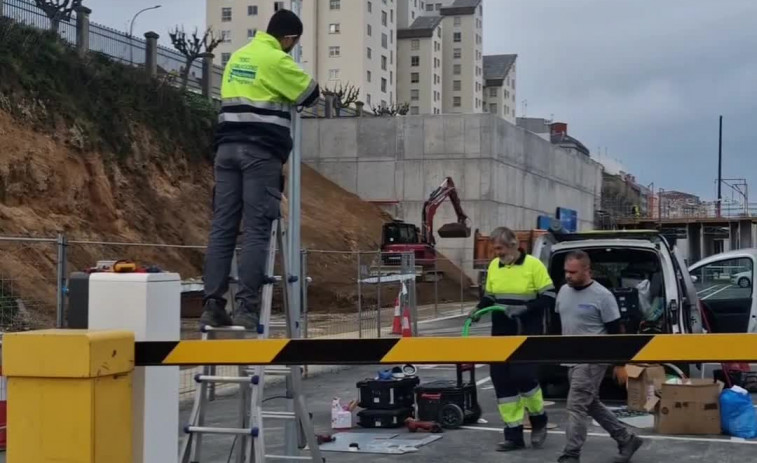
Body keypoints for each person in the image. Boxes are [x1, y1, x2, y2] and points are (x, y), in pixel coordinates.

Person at [200, 9, 320, 329]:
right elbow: (310, 93)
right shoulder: (276, 60)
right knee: (255, 229)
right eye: (293, 44)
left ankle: (212, 304)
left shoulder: (238, 58)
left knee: (223, 227)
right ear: (289, 38)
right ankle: (247, 308)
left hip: (226, 151)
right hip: (260, 154)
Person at [555, 250, 644, 463]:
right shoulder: (563, 291)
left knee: (576, 404)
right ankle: (626, 439)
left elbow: (616, 331)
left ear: (587, 271)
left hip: (593, 359)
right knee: (590, 403)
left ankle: (571, 454)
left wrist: (620, 363)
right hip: (571, 358)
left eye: (573, 272)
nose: (568, 276)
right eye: (566, 271)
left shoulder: (602, 296)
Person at [473, 226, 556, 451]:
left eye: (499, 248)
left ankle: (539, 421)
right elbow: (490, 297)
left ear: (514, 245)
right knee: (502, 382)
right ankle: (513, 435)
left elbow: (549, 297)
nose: (496, 253)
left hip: (527, 333)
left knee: (524, 377)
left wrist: (525, 309)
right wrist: (478, 310)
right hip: (500, 334)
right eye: (495, 249)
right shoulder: (494, 266)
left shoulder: (533, 266)